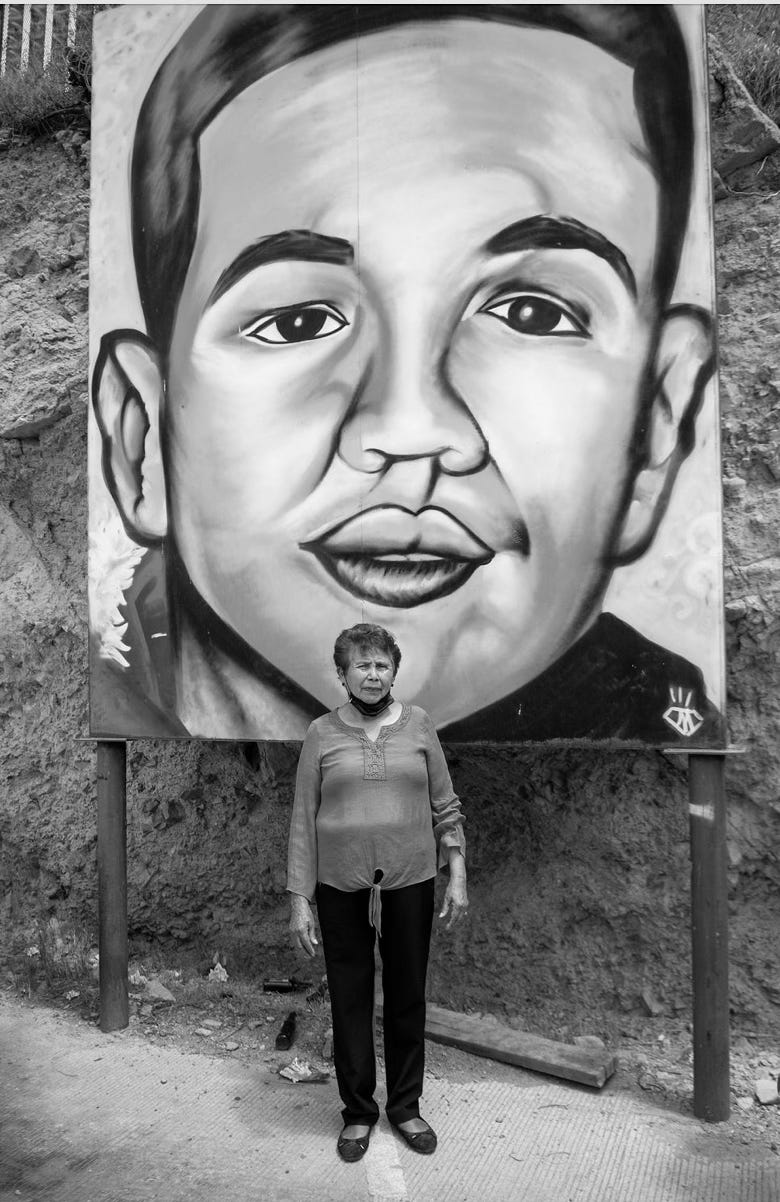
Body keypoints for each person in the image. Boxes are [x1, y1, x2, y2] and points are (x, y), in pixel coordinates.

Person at [90, 4, 724, 745]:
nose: (411, 430)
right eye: (297, 323)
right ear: (142, 438)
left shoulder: (663, 706)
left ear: (657, 424)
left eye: (531, 313)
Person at [287, 623, 467, 1160]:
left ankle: (406, 1107)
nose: (372, 674)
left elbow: (446, 805)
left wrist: (457, 873)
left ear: (394, 671)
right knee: (350, 998)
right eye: (361, 665)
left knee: (408, 996)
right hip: (340, 885)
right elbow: (303, 819)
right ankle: (359, 1112)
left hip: (410, 881)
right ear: (343, 675)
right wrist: (299, 900)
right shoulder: (321, 733)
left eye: (381, 665)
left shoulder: (420, 725)